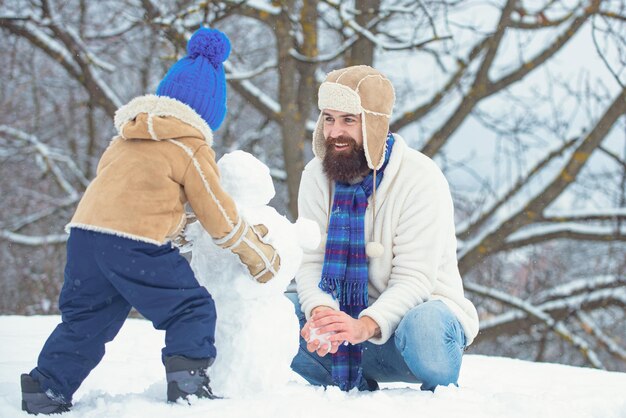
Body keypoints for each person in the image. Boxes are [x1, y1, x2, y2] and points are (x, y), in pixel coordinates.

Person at [20, 27, 280, 415]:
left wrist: (173, 224)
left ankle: (47, 387)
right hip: (133, 244)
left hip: (85, 236)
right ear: (208, 113)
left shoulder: (125, 138)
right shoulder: (190, 145)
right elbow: (218, 214)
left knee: (87, 320)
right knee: (190, 308)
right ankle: (188, 385)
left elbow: (128, 195)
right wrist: (254, 250)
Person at [289, 65, 479, 392]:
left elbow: (415, 278)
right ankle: (351, 384)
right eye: (329, 119)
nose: (335, 132)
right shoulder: (315, 176)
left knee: (425, 323)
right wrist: (322, 313)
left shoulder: (420, 177)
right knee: (279, 314)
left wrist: (365, 324)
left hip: (413, 337)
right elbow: (311, 263)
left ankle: (440, 397)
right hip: (349, 339)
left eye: (349, 120)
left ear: (374, 122)